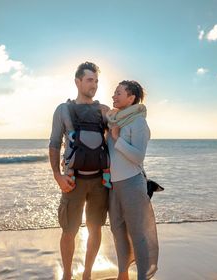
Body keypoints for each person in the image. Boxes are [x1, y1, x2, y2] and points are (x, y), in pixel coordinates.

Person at [49, 62, 110, 280]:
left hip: (99, 183)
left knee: (95, 229)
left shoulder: (103, 111)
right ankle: (67, 275)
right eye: (89, 80)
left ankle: (87, 274)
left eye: (96, 81)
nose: (94, 85)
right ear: (78, 81)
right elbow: (54, 144)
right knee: (69, 231)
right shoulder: (63, 110)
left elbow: (116, 137)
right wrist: (57, 175)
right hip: (73, 181)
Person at [106, 80, 158, 279]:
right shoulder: (113, 120)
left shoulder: (138, 122)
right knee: (117, 230)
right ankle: (123, 274)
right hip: (113, 184)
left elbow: (138, 157)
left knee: (137, 233)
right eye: (114, 92)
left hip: (132, 182)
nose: (114, 96)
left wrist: (117, 138)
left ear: (131, 98)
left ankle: (143, 276)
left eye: (118, 93)